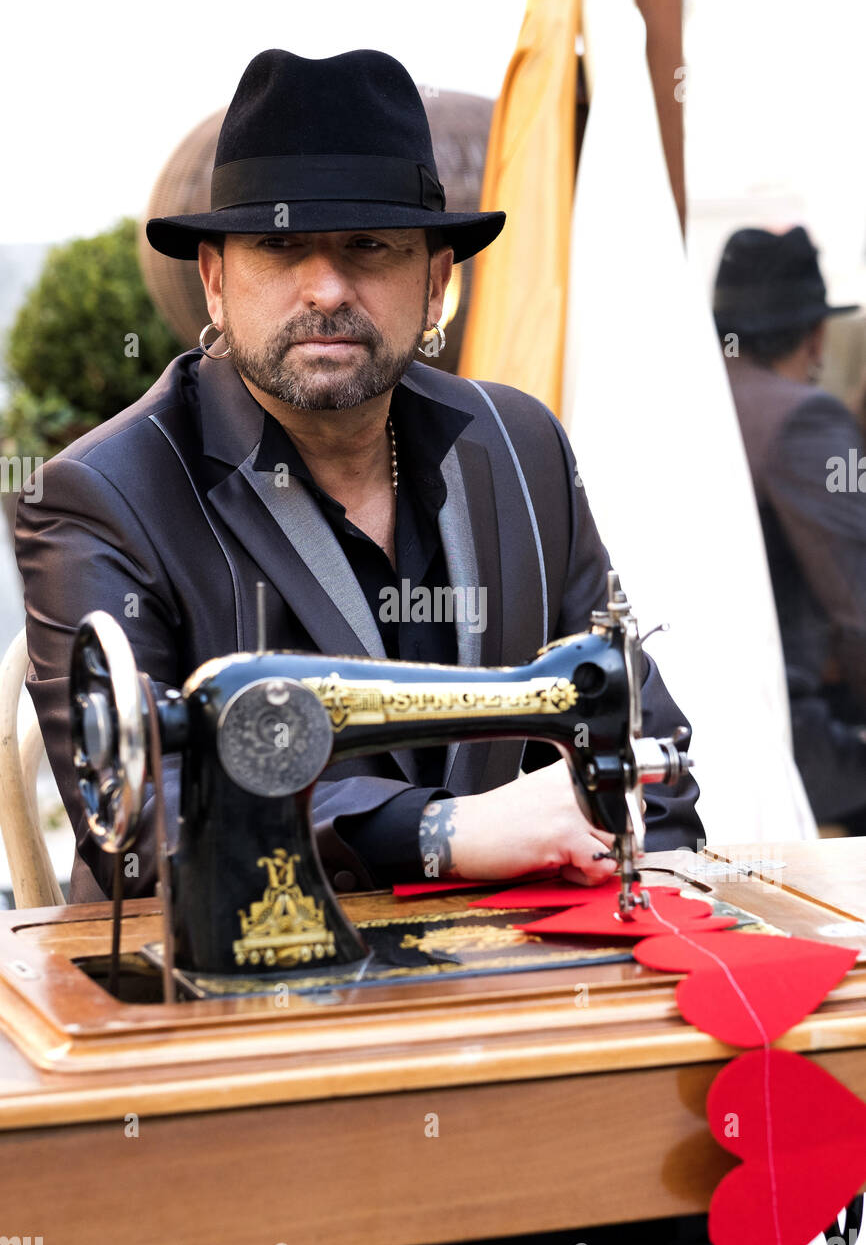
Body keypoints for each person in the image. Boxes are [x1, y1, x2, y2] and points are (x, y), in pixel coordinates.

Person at [15, 47, 702, 905]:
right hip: (229, 995)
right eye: (280, 245)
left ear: (435, 283)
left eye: (369, 245)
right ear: (218, 281)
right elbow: (148, 814)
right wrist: (446, 834)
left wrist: (648, 870)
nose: (327, 287)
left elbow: (645, 746)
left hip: (492, 986)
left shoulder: (523, 446)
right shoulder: (101, 495)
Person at [714, 226, 866, 827]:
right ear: (816, 333)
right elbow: (858, 607)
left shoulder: (700, 401)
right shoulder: (807, 418)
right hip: (788, 744)